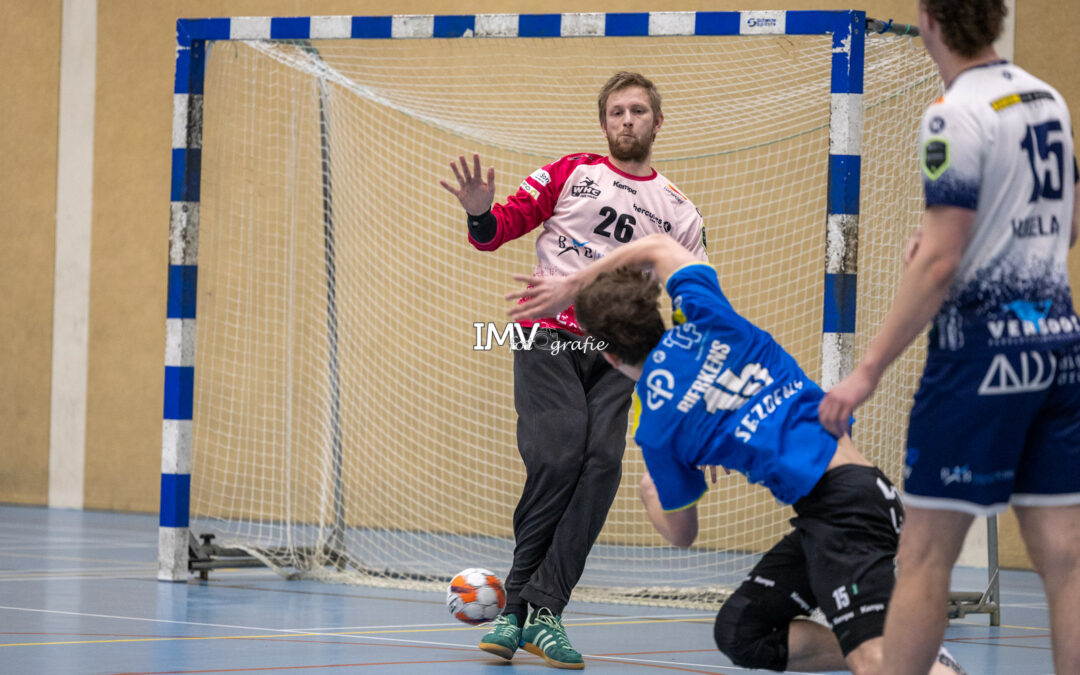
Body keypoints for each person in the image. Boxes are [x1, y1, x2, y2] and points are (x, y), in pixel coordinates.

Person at [508, 234, 964, 674]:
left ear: (606, 355)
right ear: (654, 311)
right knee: (743, 631)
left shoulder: (659, 428)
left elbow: (683, 532)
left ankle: (907, 658)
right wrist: (576, 282)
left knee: (875, 664)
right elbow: (663, 247)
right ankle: (913, 654)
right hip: (846, 500)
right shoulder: (709, 317)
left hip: (845, 510)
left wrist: (652, 495)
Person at [818, 1, 1080, 673]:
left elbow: (939, 263)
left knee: (925, 554)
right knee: (1065, 556)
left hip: (979, 354)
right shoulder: (1046, 98)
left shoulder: (952, 113)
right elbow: (1065, 228)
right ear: (993, 19)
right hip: (1057, 346)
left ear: (929, 18)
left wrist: (865, 370)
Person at [440, 71, 707, 669]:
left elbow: (692, 296)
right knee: (559, 454)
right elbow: (497, 230)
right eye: (617, 112)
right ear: (604, 123)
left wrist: (689, 383)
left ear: (657, 123)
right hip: (547, 337)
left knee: (602, 465)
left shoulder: (679, 210)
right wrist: (481, 215)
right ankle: (513, 610)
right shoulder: (571, 173)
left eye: (639, 111)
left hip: (622, 351)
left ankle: (543, 613)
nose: (628, 121)